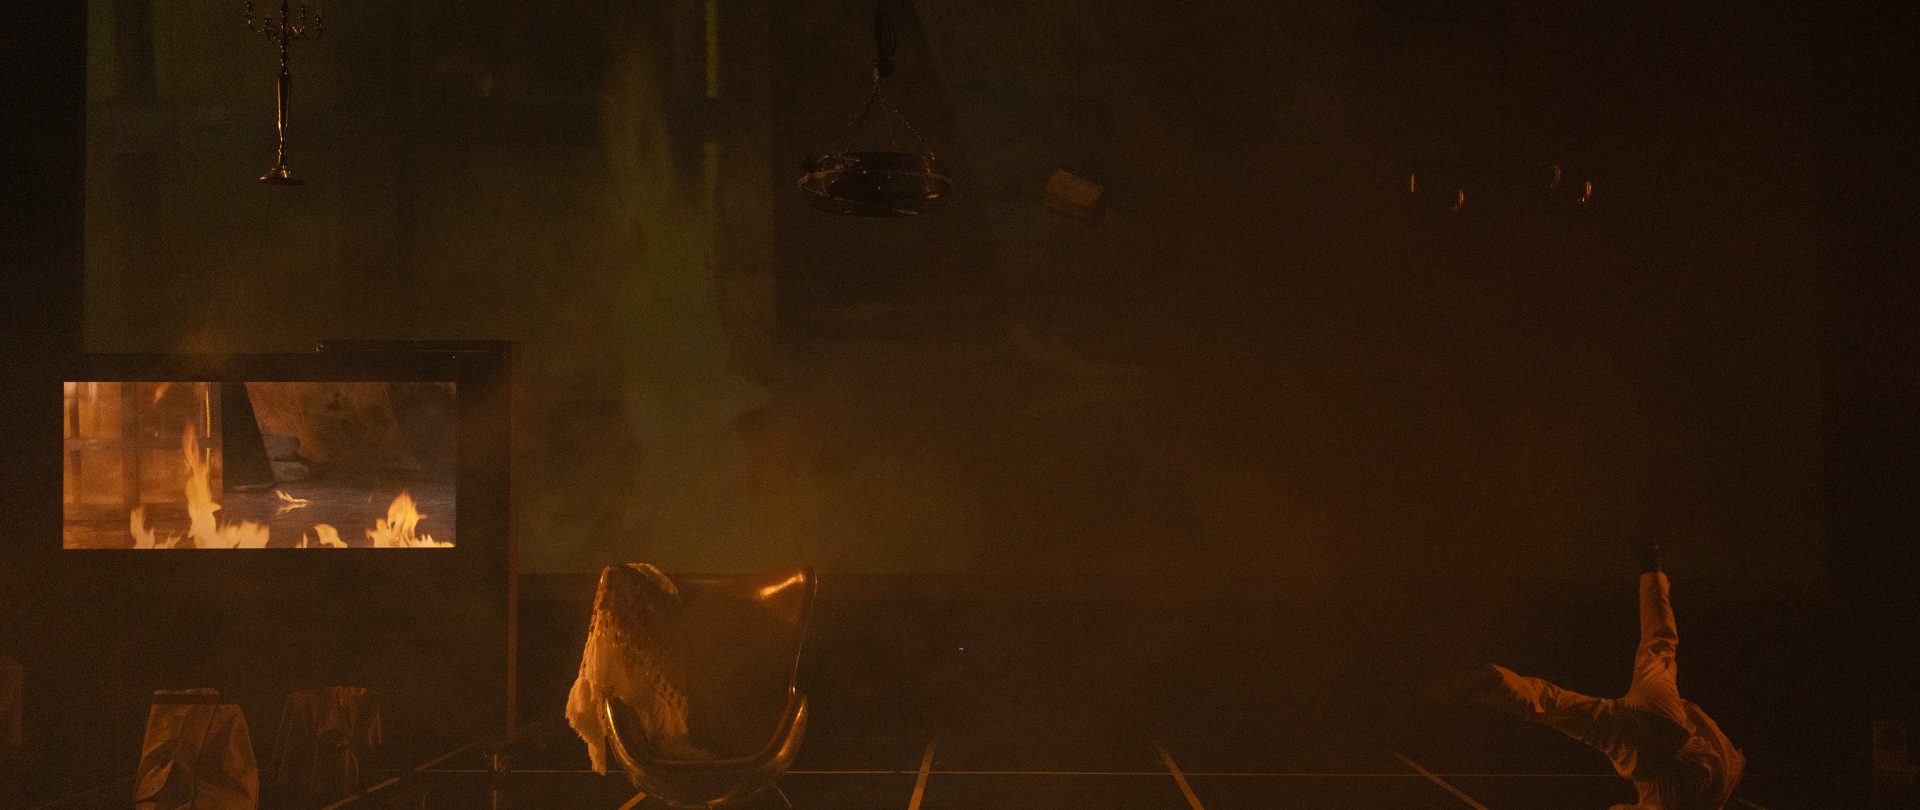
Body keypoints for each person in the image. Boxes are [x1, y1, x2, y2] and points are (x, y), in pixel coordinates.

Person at [1430, 543, 1745, 809]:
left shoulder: (1714, 784)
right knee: (1553, 706)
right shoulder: (1679, 796)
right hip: (1648, 760)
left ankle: (1652, 571)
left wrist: (1652, 572)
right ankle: (1495, 681)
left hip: (1670, 725)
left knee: (1659, 646)